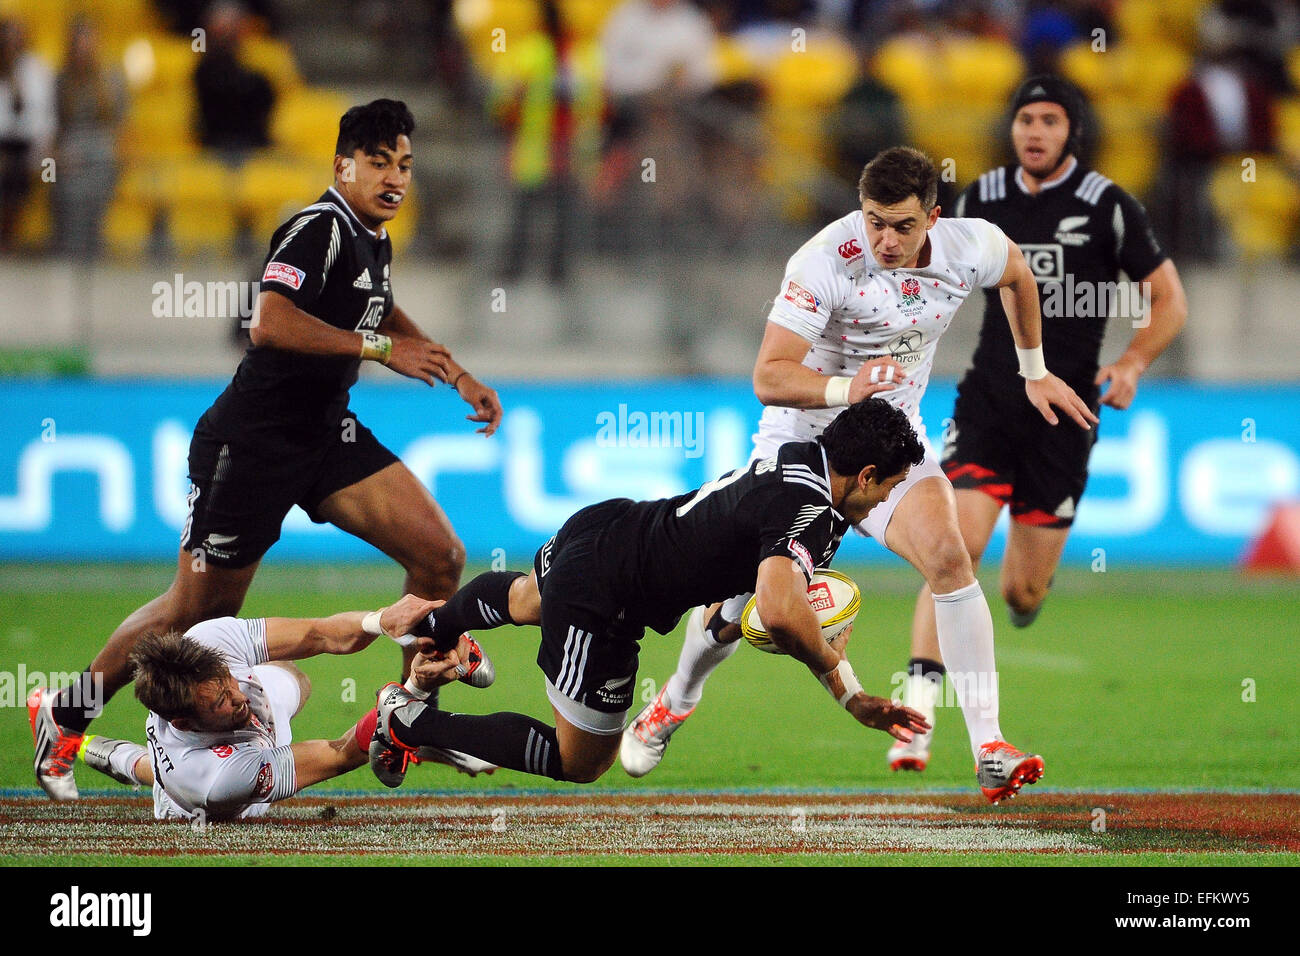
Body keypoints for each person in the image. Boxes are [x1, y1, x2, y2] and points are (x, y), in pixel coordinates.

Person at [29, 98, 503, 801]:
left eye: (404, 164)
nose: (395, 177)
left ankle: (405, 719)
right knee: (194, 619)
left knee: (440, 557)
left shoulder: (373, 239)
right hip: (250, 444)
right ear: (342, 165)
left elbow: (380, 307)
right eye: (378, 162)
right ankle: (63, 716)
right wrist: (381, 348)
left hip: (324, 434)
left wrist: (452, 369)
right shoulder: (318, 228)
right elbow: (268, 322)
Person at [622, 145, 1098, 804]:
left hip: (889, 445)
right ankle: (676, 699)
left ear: (933, 216)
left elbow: (1018, 275)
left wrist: (1034, 369)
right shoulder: (823, 262)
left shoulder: (970, 247)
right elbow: (769, 376)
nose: (885, 238)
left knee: (950, 558)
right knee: (736, 609)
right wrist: (848, 386)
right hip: (804, 449)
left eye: (902, 225)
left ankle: (989, 745)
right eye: (874, 220)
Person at [367, 399, 931, 788]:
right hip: (606, 599)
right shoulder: (809, 513)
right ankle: (408, 722)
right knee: (581, 760)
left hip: (606, 525)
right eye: (889, 487)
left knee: (525, 598)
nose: (885, 502)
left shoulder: (798, 461)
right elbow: (780, 612)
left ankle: (436, 629)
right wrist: (837, 669)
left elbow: (741, 614)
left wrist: (832, 672)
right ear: (867, 474)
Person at [888, 76, 1187, 773]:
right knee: (953, 548)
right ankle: (919, 717)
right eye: (1025, 118)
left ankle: (1020, 606)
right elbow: (926, 275)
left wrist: (1135, 361)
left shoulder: (1107, 206)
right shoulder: (979, 199)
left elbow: (1168, 299)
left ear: (1070, 133)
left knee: (1022, 593)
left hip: (1067, 416)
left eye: (1050, 119)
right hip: (990, 401)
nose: (1035, 131)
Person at [79, 595, 493, 820]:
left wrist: (383, 620)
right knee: (151, 771)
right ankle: (100, 751)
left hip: (199, 744)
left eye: (228, 679)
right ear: (185, 719)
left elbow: (318, 634)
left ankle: (87, 746)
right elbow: (339, 752)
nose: (238, 696)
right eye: (222, 699)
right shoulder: (216, 779)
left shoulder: (207, 641)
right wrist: (415, 688)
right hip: (215, 788)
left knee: (296, 676)